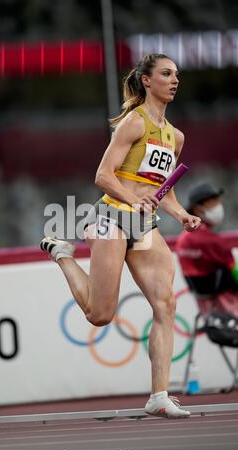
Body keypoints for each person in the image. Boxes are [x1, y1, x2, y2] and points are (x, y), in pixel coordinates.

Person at [40, 53, 201, 419]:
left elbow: (165, 189)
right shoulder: (133, 122)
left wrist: (181, 214)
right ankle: (62, 253)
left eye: (176, 74)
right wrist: (134, 200)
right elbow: (103, 175)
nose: (174, 80)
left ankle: (159, 395)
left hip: (144, 224)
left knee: (166, 304)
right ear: (147, 80)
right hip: (110, 216)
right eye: (165, 74)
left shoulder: (175, 136)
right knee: (100, 315)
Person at [176, 182, 238, 316]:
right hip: (227, 306)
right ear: (198, 209)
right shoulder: (211, 241)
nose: (219, 206)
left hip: (205, 307)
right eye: (213, 202)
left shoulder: (183, 239)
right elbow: (235, 271)